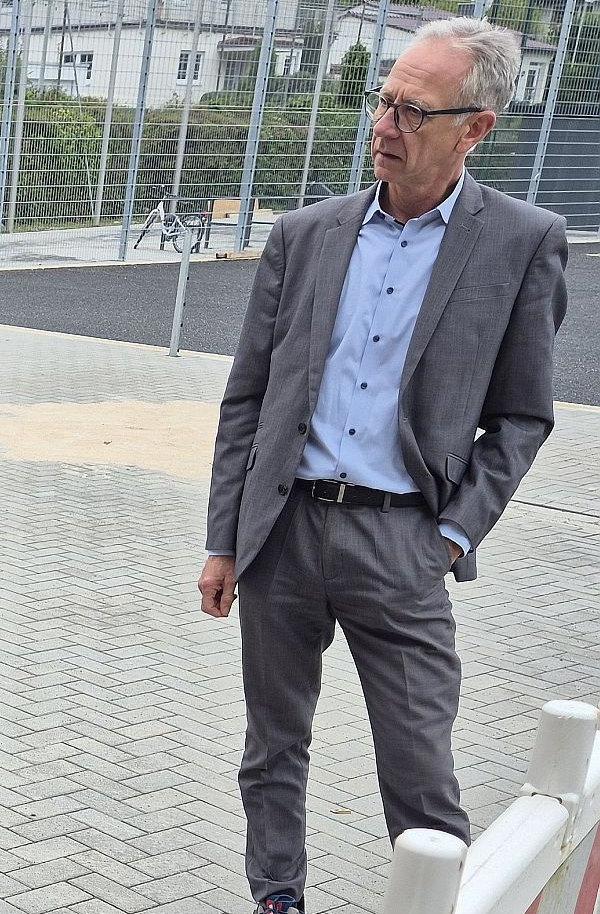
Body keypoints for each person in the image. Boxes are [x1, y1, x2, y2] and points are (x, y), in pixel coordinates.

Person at [199, 19, 567, 914]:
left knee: (419, 767)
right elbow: (249, 399)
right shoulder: (306, 234)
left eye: (413, 109)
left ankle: (441, 900)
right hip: (282, 535)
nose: (385, 124)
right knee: (271, 748)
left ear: (474, 128)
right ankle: (275, 898)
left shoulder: (521, 241)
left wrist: (447, 536)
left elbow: (522, 416)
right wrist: (224, 539)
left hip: (402, 543)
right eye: (382, 101)